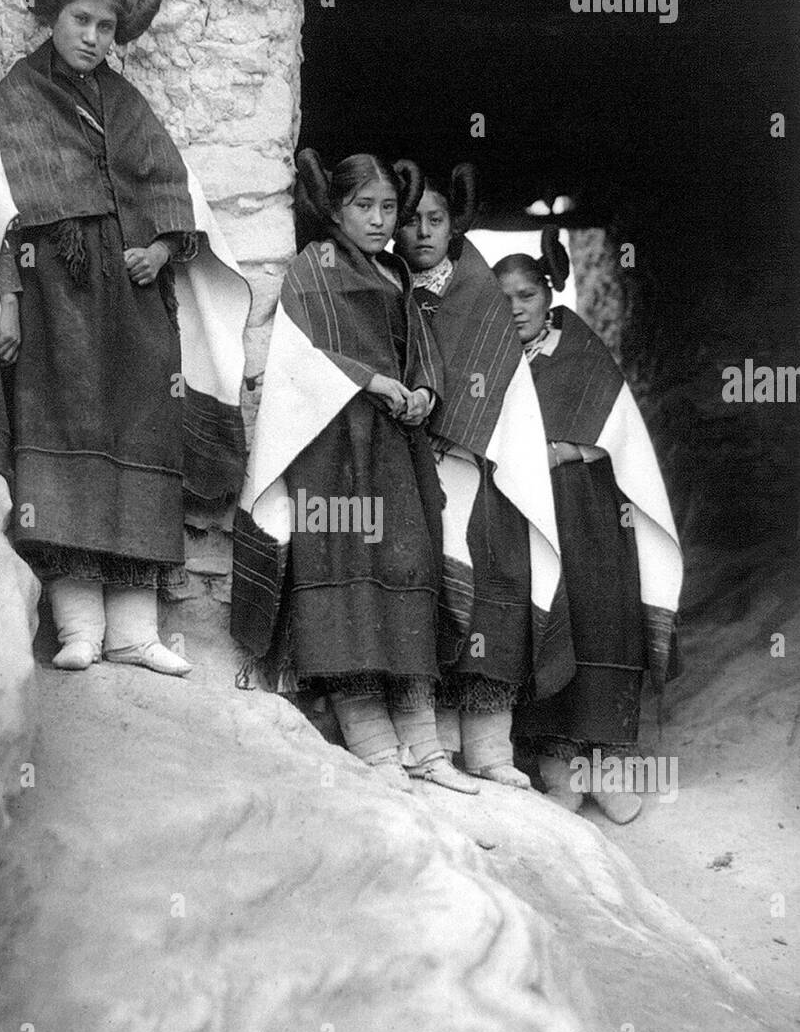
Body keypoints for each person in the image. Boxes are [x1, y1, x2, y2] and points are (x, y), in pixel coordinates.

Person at [0, 0, 250, 675]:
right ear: (53, 17)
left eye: (105, 26)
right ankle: (78, 627)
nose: (92, 36)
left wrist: (160, 251)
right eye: (80, 19)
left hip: (131, 308)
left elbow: (170, 190)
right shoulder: (18, 98)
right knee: (65, 441)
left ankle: (133, 631)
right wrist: (8, 298)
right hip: (55, 300)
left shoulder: (128, 106)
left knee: (139, 441)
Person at [230, 149, 479, 793]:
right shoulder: (314, 268)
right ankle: (373, 745)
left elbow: (422, 350)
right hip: (334, 445)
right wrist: (368, 379)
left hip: (395, 447)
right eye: (363, 207)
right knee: (346, 571)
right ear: (334, 210)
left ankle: (425, 748)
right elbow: (298, 356)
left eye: (388, 208)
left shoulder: (397, 274)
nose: (378, 220)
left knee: (406, 566)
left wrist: (423, 390)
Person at [395, 166, 570, 789]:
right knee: (422, 590)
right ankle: (433, 744)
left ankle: (491, 750)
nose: (422, 233)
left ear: (454, 224)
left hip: (481, 467)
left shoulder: (479, 294)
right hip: (408, 467)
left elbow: (502, 383)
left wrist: (461, 429)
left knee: (493, 588)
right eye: (410, 220)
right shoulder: (384, 285)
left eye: (436, 220)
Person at [495, 244, 683, 823]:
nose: (517, 309)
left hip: (590, 510)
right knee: (549, 619)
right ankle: (559, 769)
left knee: (602, 617)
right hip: (526, 514)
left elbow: (620, 429)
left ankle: (606, 768)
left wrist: (565, 449)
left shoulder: (578, 349)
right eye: (503, 301)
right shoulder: (491, 361)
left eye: (527, 296)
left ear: (549, 294)